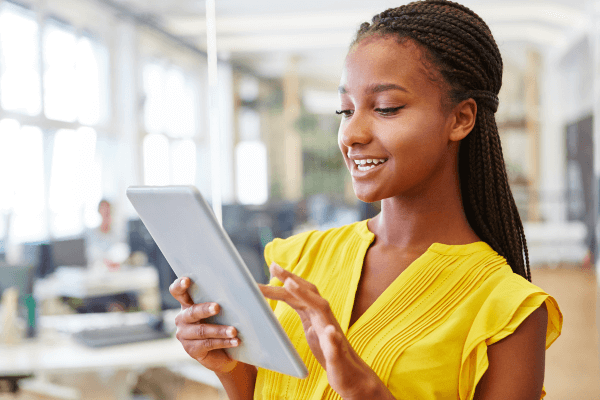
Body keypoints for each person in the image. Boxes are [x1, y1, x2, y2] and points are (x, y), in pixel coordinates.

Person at [169, 1, 562, 399]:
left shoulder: (507, 310)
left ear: (460, 118)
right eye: (345, 109)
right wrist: (229, 366)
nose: (351, 134)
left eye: (386, 108)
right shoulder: (298, 261)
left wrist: (364, 388)